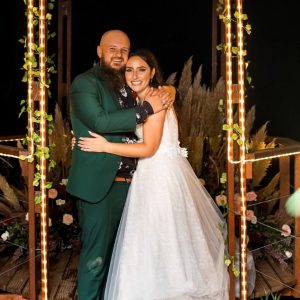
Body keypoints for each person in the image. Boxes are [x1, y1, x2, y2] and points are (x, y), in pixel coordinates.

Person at [78, 49, 230, 300]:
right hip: (149, 176)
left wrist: (104, 146)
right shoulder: (141, 101)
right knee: (150, 237)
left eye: (141, 69)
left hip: (159, 177)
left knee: (162, 234)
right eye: (129, 69)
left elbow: (148, 148)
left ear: (152, 73)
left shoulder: (157, 101)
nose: (134, 75)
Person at [67, 30, 175, 300]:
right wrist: (146, 109)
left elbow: (156, 88)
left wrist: (170, 90)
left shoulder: (128, 84)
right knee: (97, 261)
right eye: (112, 48)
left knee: (123, 263)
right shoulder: (85, 83)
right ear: (99, 51)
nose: (118, 54)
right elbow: (101, 122)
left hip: (135, 188)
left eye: (124, 50)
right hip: (101, 188)